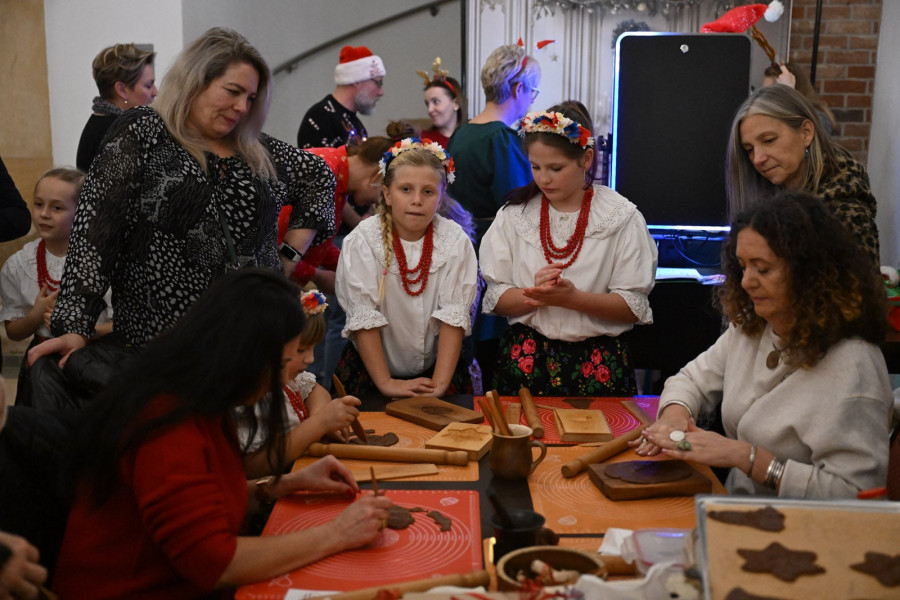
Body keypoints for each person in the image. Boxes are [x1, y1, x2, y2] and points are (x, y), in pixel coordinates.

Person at [51, 269, 393, 599]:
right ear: (244, 355)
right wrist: (338, 533)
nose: (281, 380)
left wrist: (282, 485)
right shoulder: (166, 423)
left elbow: (203, 501)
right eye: (282, 363)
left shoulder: (201, 399)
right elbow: (216, 563)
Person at [28, 28, 336, 374]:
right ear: (195, 81)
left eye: (250, 98)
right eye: (233, 92)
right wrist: (75, 327)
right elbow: (96, 232)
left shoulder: (256, 150)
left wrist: (286, 261)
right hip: (162, 345)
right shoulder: (144, 132)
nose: (241, 107)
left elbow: (320, 178)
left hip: (248, 340)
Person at [636, 192, 892, 499]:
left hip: (805, 534)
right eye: (743, 266)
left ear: (809, 273)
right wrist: (675, 414)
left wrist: (746, 457)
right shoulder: (753, 327)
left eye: (763, 268)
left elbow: (854, 494)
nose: (746, 282)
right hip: (741, 510)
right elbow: (691, 380)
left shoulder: (854, 365)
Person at [480, 102, 657, 396]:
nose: (543, 178)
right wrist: (534, 296)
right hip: (527, 362)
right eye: (535, 167)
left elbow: (632, 307)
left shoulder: (621, 216)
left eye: (555, 168)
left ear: (586, 159)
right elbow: (496, 299)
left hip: (599, 364)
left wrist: (573, 299)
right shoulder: (515, 215)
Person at [335, 139, 478, 401]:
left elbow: (452, 317)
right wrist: (386, 382)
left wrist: (439, 385)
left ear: (441, 195)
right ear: (387, 194)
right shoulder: (363, 241)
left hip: (438, 370)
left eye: (428, 192)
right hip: (371, 372)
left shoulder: (455, 241)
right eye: (405, 189)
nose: (416, 200)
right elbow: (364, 317)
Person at [725, 84, 879, 266]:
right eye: (749, 149)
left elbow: (858, 292)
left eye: (769, 140)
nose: (758, 159)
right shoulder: (765, 200)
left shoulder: (845, 214)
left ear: (806, 133)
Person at [0, 168, 111, 406]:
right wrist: (36, 315)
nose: (44, 214)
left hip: (98, 362)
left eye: (57, 208)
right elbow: (13, 331)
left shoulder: (105, 261)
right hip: (41, 362)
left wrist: (89, 330)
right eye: (38, 204)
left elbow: (127, 322)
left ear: (83, 212)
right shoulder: (20, 265)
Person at [237, 289, 362, 478]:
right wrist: (319, 424)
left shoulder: (285, 376)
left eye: (313, 348)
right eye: (301, 349)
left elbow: (315, 389)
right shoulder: (248, 395)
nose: (310, 358)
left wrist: (321, 415)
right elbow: (252, 467)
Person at [447, 43, 539, 249]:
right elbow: (522, 210)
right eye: (532, 92)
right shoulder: (501, 140)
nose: (530, 100)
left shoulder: (460, 132)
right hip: (492, 247)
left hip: (460, 244)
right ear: (518, 89)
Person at [76, 43, 157, 172]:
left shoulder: (99, 123)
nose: (155, 92)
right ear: (122, 90)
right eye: (148, 86)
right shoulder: (122, 134)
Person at [297, 45, 385, 149]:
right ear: (357, 81)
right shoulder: (321, 117)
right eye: (378, 83)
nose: (381, 92)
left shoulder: (355, 123)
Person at [762, 62, 835, 136]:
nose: (765, 97)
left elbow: (810, 143)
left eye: (771, 92)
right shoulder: (768, 115)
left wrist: (789, 96)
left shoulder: (818, 118)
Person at [417, 57, 466, 148]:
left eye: (436, 101)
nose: (430, 110)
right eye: (427, 104)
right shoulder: (422, 140)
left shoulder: (470, 138)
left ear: (456, 103)